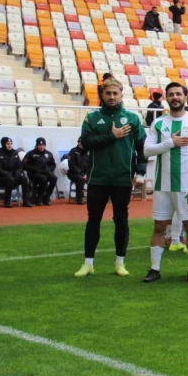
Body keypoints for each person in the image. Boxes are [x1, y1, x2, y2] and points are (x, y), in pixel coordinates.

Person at [74, 78, 147, 278]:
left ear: (121, 95)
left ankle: (120, 262)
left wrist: (140, 172)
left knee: (121, 220)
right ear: (102, 95)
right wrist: (111, 136)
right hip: (97, 178)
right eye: (108, 93)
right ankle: (88, 263)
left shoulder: (132, 119)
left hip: (123, 178)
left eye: (115, 93)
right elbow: (85, 143)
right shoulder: (92, 117)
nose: (112, 97)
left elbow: (143, 148)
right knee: (93, 220)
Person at [142, 82, 188, 284]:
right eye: (171, 94)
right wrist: (170, 143)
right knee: (159, 227)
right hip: (162, 185)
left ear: (185, 97)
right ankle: (155, 269)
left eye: (178, 94)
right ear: (166, 97)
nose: (175, 97)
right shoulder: (158, 124)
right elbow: (146, 150)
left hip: (187, 185)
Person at [0, 137, 32, 208]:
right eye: (8, 144)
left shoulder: (14, 153)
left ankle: (26, 201)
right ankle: (7, 201)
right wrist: (8, 174)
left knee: (24, 178)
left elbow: (20, 166)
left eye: (11, 144)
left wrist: (17, 173)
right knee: (10, 179)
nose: (10, 146)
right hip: (1, 178)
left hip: (14, 176)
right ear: (3, 144)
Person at [23, 137, 57, 206]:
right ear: (37, 145)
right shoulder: (31, 154)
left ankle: (47, 197)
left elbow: (53, 165)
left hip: (46, 172)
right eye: (40, 145)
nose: (41, 147)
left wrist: (49, 169)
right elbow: (24, 165)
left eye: (43, 145)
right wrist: (34, 169)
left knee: (54, 178)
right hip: (34, 173)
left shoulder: (49, 154)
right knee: (43, 179)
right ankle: (39, 198)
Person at [67, 137, 88, 205]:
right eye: (79, 142)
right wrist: (82, 174)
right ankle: (79, 199)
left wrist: (87, 174)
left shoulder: (87, 152)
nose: (80, 144)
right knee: (80, 179)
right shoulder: (73, 151)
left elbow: (90, 165)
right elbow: (72, 165)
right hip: (73, 173)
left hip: (84, 174)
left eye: (82, 143)